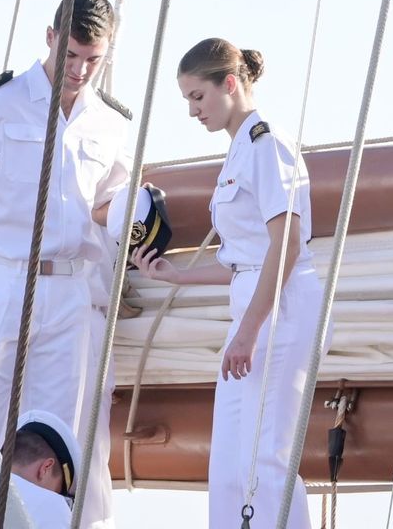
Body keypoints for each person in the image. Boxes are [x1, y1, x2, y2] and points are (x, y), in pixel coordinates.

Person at [0, 0, 131, 529]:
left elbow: (109, 204)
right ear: (51, 38)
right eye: (74, 55)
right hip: (0, 282)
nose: (81, 70)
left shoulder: (112, 124)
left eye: (94, 60)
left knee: (57, 451)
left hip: (68, 291)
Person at [130, 38, 329, 529]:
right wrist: (178, 276)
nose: (193, 110)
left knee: (265, 455)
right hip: (256, 304)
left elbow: (284, 247)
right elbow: (245, 262)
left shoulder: (267, 144)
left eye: (198, 97)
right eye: (187, 100)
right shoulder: (240, 151)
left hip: (277, 311)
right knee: (230, 462)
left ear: (231, 84)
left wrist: (248, 333)